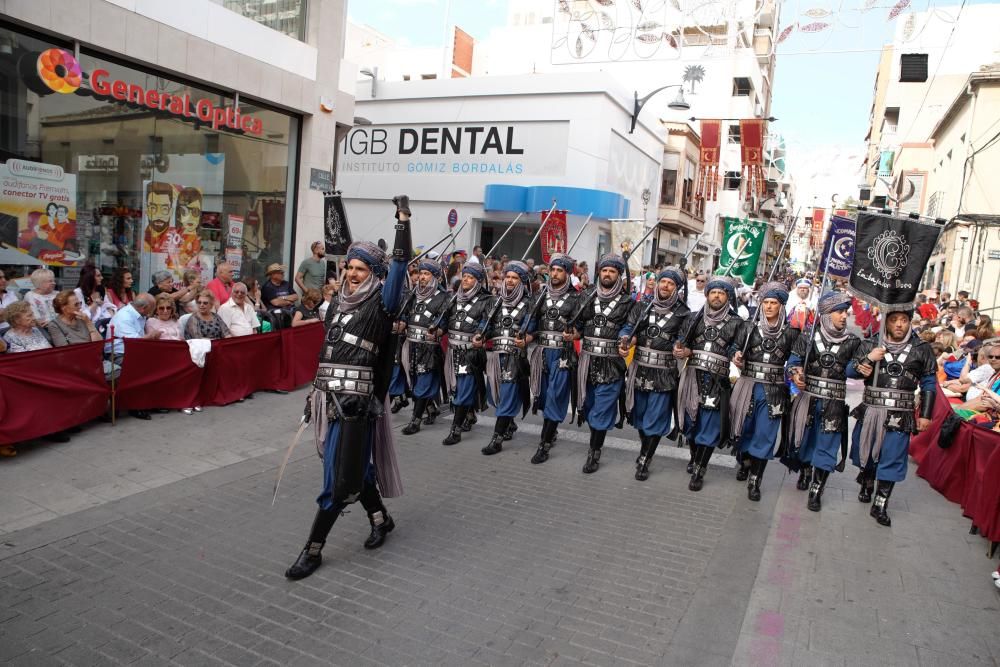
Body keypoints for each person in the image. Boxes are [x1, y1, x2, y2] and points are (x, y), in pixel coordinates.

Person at [284, 196, 410, 581]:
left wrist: (403, 221)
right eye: (350, 267)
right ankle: (379, 517)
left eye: (361, 268)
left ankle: (313, 550)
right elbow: (327, 350)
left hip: (356, 404)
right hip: (327, 397)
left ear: (374, 272)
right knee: (351, 469)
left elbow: (400, 267)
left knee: (338, 483)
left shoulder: (381, 302)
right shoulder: (337, 302)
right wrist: (313, 393)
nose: (353, 273)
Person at [848, 309, 936, 525]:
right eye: (894, 320)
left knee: (893, 457)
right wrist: (868, 359)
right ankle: (867, 480)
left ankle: (880, 503)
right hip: (872, 409)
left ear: (910, 322)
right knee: (865, 452)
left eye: (904, 320)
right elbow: (850, 371)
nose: (899, 324)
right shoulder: (870, 343)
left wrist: (925, 415)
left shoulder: (921, 349)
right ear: (886, 322)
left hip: (901, 413)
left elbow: (929, 383)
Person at [786, 292, 861, 511]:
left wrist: (860, 367)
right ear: (827, 314)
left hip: (834, 402)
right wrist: (796, 373)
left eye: (845, 312)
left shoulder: (853, 341)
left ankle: (816, 490)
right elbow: (794, 360)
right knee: (806, 439)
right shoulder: (808, 336)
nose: (844, 316)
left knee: (827, 445)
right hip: (808, 398)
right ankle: (806, 471)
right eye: (839, 312)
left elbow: (852, 369)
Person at [728, 282, 799, 501]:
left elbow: (796, 356)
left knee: (765, 434)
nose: (768, 307)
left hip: (774, 390)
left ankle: (755, 480)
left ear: (781, 306)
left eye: (773, 303)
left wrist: (796, 370)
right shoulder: (748, 327)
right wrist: (736, 354)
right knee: (744, 429)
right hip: (748, 385)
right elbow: (733, 347)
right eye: (765, 302)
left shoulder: (791, 332)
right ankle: (745, 461)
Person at [674, 276, 744, 491]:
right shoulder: (693, 318)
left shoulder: (737, 322)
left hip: (717, 380)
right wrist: (681, 350)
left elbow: (736, 346)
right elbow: (681, 341)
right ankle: (695, 458)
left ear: (728, 297)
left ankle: (700, 469)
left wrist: (737, 356)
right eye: (713, 292)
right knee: (692, 422)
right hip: (693, 376)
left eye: (721, 293)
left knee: (710, 427)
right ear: (707, 294)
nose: (716, 296)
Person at [620, 267, 689, 480]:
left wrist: (681, 348)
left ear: (677, 288)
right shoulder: (641, 306)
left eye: (671, 283)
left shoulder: (683, 313)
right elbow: (628, 329)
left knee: (656, 419)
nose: (666, 286)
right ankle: (646, 449)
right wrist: (625, 340)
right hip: (639, 368)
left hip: (664, 373)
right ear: (657, 283)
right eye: (663, 282)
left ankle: (644, 459)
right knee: (640, 417)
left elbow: (684, 339)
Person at [575, 254, 634, 474]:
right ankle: (595, 440)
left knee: (601, 409)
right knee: (589, 406)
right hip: (587, 361)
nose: (607, 274)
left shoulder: (628, 302)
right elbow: (579, 324)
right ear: (598, 272)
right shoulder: (588, 295)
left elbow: (629, 327)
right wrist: (573, 332)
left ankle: (594, 451)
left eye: (612, 271)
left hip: (611, 363)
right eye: (604, 270)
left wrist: (625, 339)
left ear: (619, 275)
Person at [526, 254, 580, 463]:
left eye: (559, 270)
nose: (555, 274)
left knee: (556, 397)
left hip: (563, 354)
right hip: (542, 353)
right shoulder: (540, 294)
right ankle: (551, 430)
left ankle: (544, 444)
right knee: (544, 396)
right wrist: (527, 336)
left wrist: (574, 333)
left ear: (567, 273)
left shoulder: (577, 298)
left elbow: (581, 327)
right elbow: (532, 321)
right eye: (553, 270)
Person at [479, 261, 536, 455]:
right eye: (508, 277)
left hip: (515, 356)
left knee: (508, 396)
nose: (510, 280)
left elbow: (534, 329)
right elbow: (485, 324)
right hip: (495, 356)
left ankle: (497, 439)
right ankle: (509, 424)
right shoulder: (494, 302)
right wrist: (480, 335)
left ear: (521, 281)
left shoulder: (530, 303)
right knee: (496, 396)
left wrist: (527, 339)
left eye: (515, 278)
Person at [440, 263, 492, 446]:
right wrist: (439, 330)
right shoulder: (454, 298)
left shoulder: (486, 300)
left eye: (470, 277)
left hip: (470, 353)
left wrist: (480, 333)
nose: (466, 280)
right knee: (456, 389)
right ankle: (470, 415)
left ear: (478, 281)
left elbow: (487, 322)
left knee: (464, 391)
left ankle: (455, 430)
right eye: (464, 276)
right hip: (452, 352)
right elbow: (445, 319)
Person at [398, 261, 450, 435]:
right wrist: (402, 322)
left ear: (435, 277)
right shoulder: (413, 294)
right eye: (421, 273)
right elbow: (405, 314)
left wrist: (439, 330)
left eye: (427, 274)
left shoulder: (444, 297)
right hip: (410, 345)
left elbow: (445, 322)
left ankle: (415, 420)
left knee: (423, 383)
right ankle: (431, 409)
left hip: (428, 348)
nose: (422, 277)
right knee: (414, 383)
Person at [261, 263, 298, 328]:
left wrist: (283, 297)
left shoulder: (286, 283)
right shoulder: (267, 287)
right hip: (276, 317)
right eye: (280, 273)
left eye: (283, 272)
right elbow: (276, 303)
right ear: (272, 275)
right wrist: (290, 301)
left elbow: (296, 296)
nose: (283, 274)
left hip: (290, 313)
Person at [0, 268, 19, 333]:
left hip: (16, 329)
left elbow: (19, 312)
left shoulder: (11, 294)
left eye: (4, 277)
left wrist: (3, 313)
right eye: (0, 278)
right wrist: (11, 312)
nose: (4, 280)